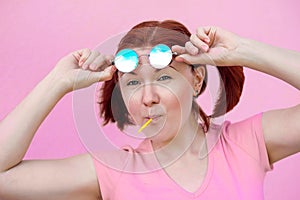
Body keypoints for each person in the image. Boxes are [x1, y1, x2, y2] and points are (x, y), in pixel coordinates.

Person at [0, 19, 299, 200]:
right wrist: (58, 81)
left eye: (164, 77)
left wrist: (242, 51)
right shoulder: (112, 172)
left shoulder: (246, 144)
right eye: (132, 84)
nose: (147, 97)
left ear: (196, 79)